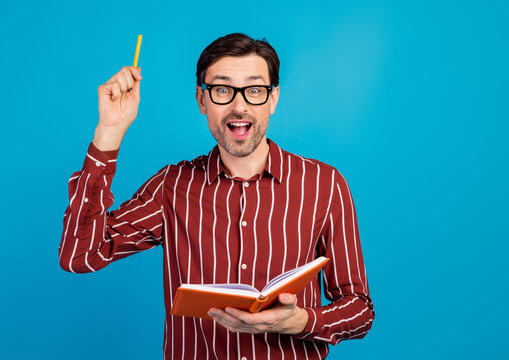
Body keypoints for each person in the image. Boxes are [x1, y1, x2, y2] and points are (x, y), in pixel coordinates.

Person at [59, 32, 374, 359]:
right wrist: (109, 130)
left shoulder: (325, 184)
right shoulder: (172, 186)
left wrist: (302, 321)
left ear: (273, 98)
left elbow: (360, 311)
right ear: (202, 99)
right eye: (223, 90)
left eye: (254, 90)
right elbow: (79, 256)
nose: (239, 107)